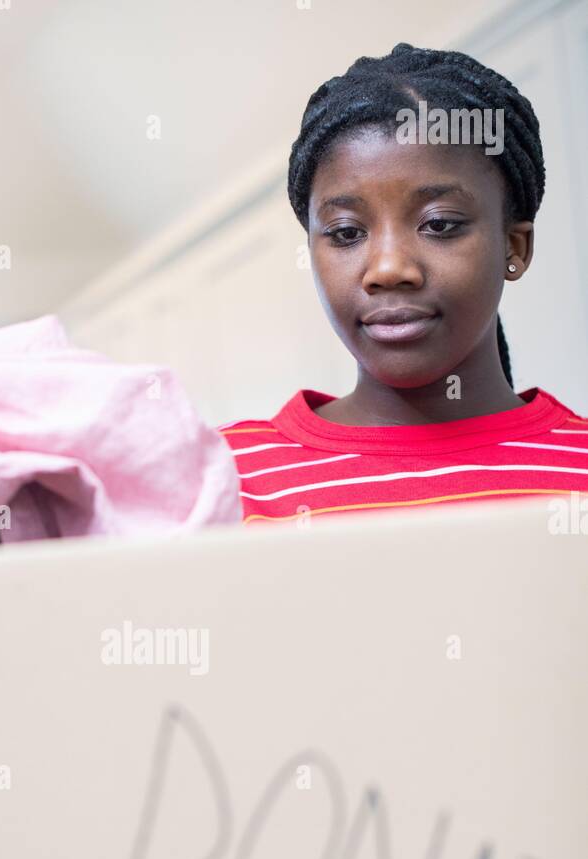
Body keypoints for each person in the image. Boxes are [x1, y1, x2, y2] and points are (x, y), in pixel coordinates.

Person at [222, 42, 588, 524]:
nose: (388, 268)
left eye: (439, 224)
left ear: (514, 249)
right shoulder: (222, 478)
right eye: (347, 233)